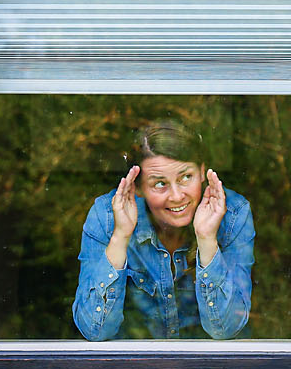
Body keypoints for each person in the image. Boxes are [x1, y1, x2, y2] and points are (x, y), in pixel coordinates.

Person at [72, 121, 254, 340]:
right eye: (160, 183)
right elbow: (94, 330)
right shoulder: (107, 216)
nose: (177, 196)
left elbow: (226, 329)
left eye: (186, 177)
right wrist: (120, 236)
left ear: (203, 171)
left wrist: (207, 240)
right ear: (138, 187)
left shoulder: (232, 213)